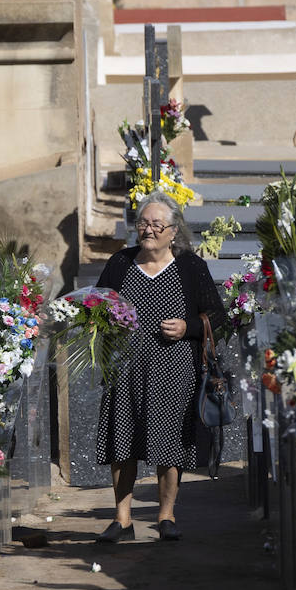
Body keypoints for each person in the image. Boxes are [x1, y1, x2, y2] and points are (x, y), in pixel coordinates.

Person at [93, 192, 225, 543]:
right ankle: (122, 519)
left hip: (174, 370)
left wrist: (188, 327)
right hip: (126, 369)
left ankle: (166, 515)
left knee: (169, 446)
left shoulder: (190, 266)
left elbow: (218, 317)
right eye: (143, 223)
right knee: (123, 444)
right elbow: (97, 307)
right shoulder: (120, 263)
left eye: (156, 224)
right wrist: (104, 322)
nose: (148, 230)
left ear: (173, 231)